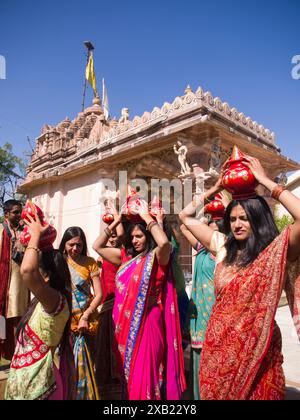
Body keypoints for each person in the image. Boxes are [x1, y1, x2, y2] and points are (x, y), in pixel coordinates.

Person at [179, 154, 300, 400]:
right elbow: (185, 217)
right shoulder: (222, 246)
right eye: (232, 219)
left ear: (257, 218)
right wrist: (215, 188)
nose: (237, 224)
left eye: (244, 218)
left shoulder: (276, 252)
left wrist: (266, 181)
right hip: (219, 351)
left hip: (260, 352)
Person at [93, 200, 186, 400]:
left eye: (139, 236)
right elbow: (97, 246)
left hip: (149, 324)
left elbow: (164, 243)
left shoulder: (157, 258)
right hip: (124, 327)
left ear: (148, 236)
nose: (135, 241)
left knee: (147, 376)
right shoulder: (126, 259)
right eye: (132, 237)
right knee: (131, 378)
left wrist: (147, 218)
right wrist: (116, 220)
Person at [5, 214, 74, 400]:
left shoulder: (55, 301)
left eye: (38, 269)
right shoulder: (41, 302)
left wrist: (35, 236)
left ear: (46, 276)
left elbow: (27, 270)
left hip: (42, 387)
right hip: (29, 386)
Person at [59, 227, 102, 400]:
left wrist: (86, 315)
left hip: (87, 322)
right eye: (71, 245)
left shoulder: (90, 262)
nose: (75, 249)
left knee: (88, 364)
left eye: (79, 245)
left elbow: (99, 294)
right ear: (64, 244)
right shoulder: (59, 262)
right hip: (65, 321)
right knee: (66, 364)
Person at [0, 200, 29, 361]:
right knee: (2, 320)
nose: (19, 215)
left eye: (20, 212)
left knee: (18, 318)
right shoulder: (1, 231)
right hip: (3, 284)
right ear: (6, 214)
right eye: (15, 212)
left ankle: (15, 355)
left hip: (20, 283)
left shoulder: (24, 232)